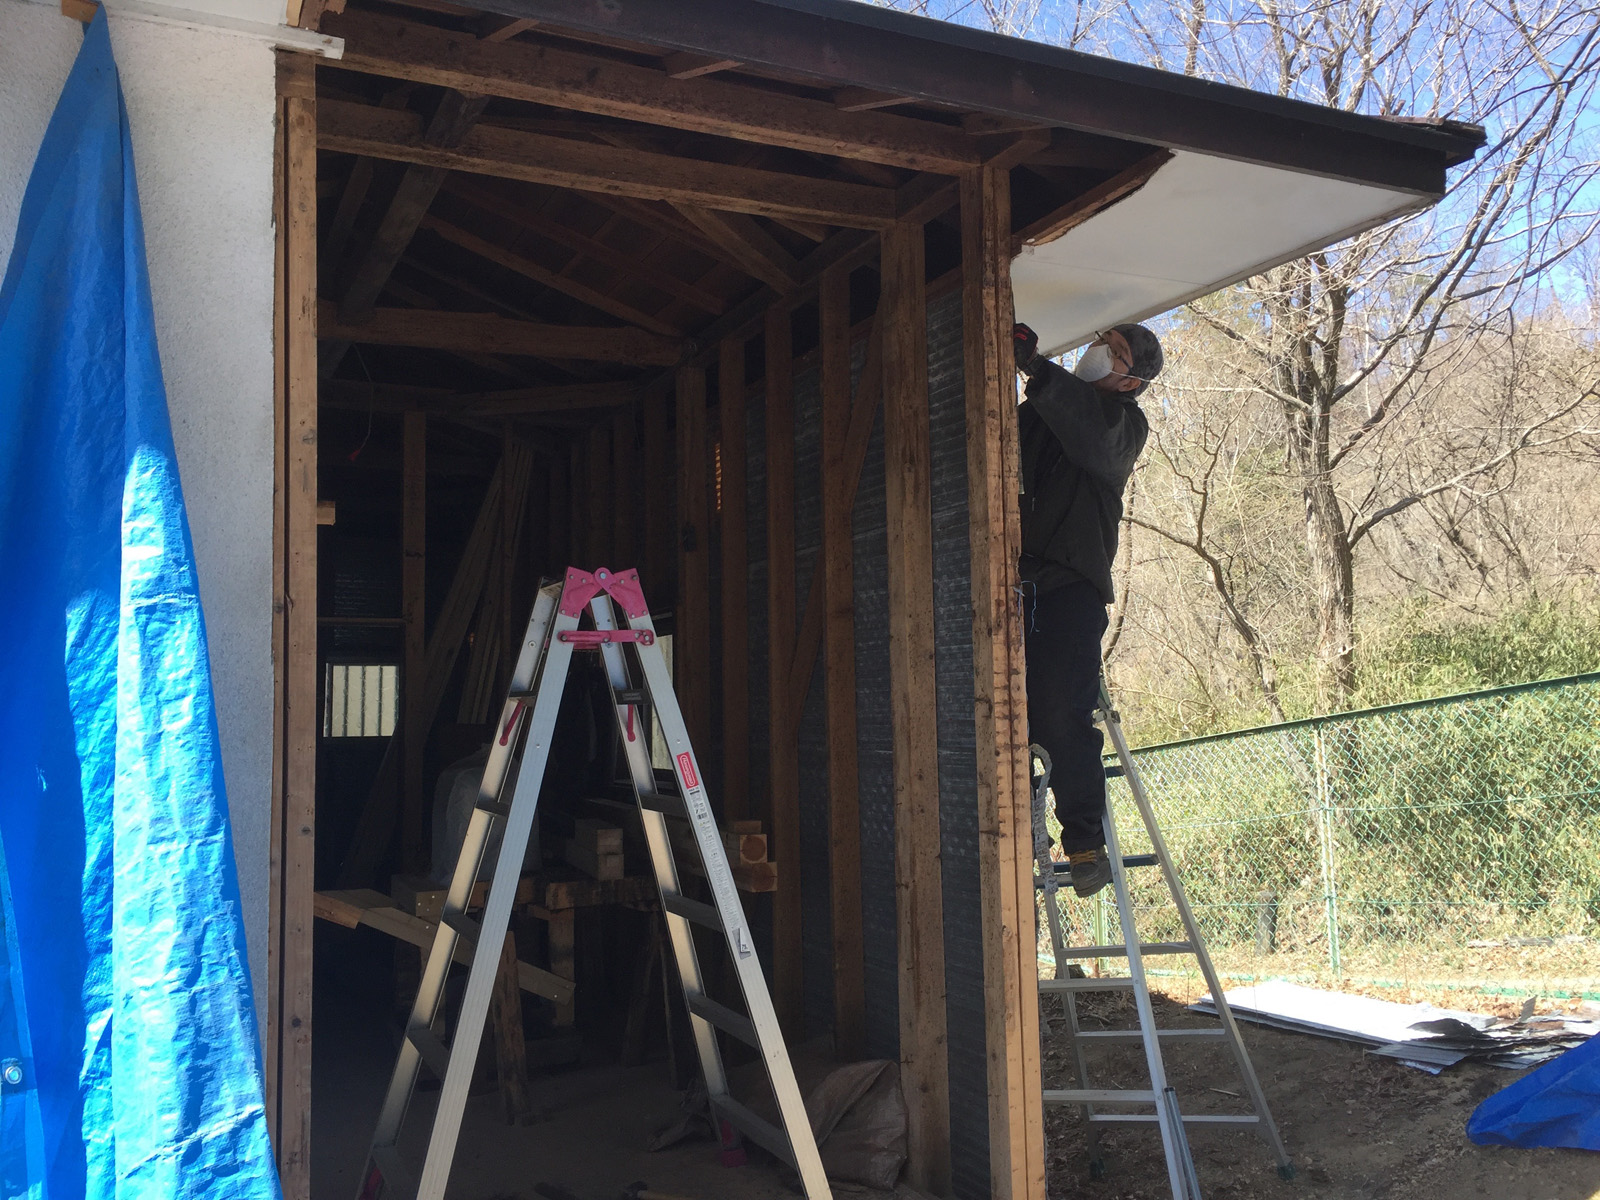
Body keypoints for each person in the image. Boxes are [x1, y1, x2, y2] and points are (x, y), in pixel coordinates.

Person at [1012, 321, 1163, 897]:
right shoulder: (1037, 414)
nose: (1099, 351)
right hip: (1012, 587)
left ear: (1129, 382)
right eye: (1105, 340)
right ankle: (1013, 830)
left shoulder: (1123, 427)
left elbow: (1087, 430)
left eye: (1115, 352)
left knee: (1059, 713)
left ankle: (1083, 844)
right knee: (1004, 715)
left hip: (1069, 590)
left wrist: (1036, 367)